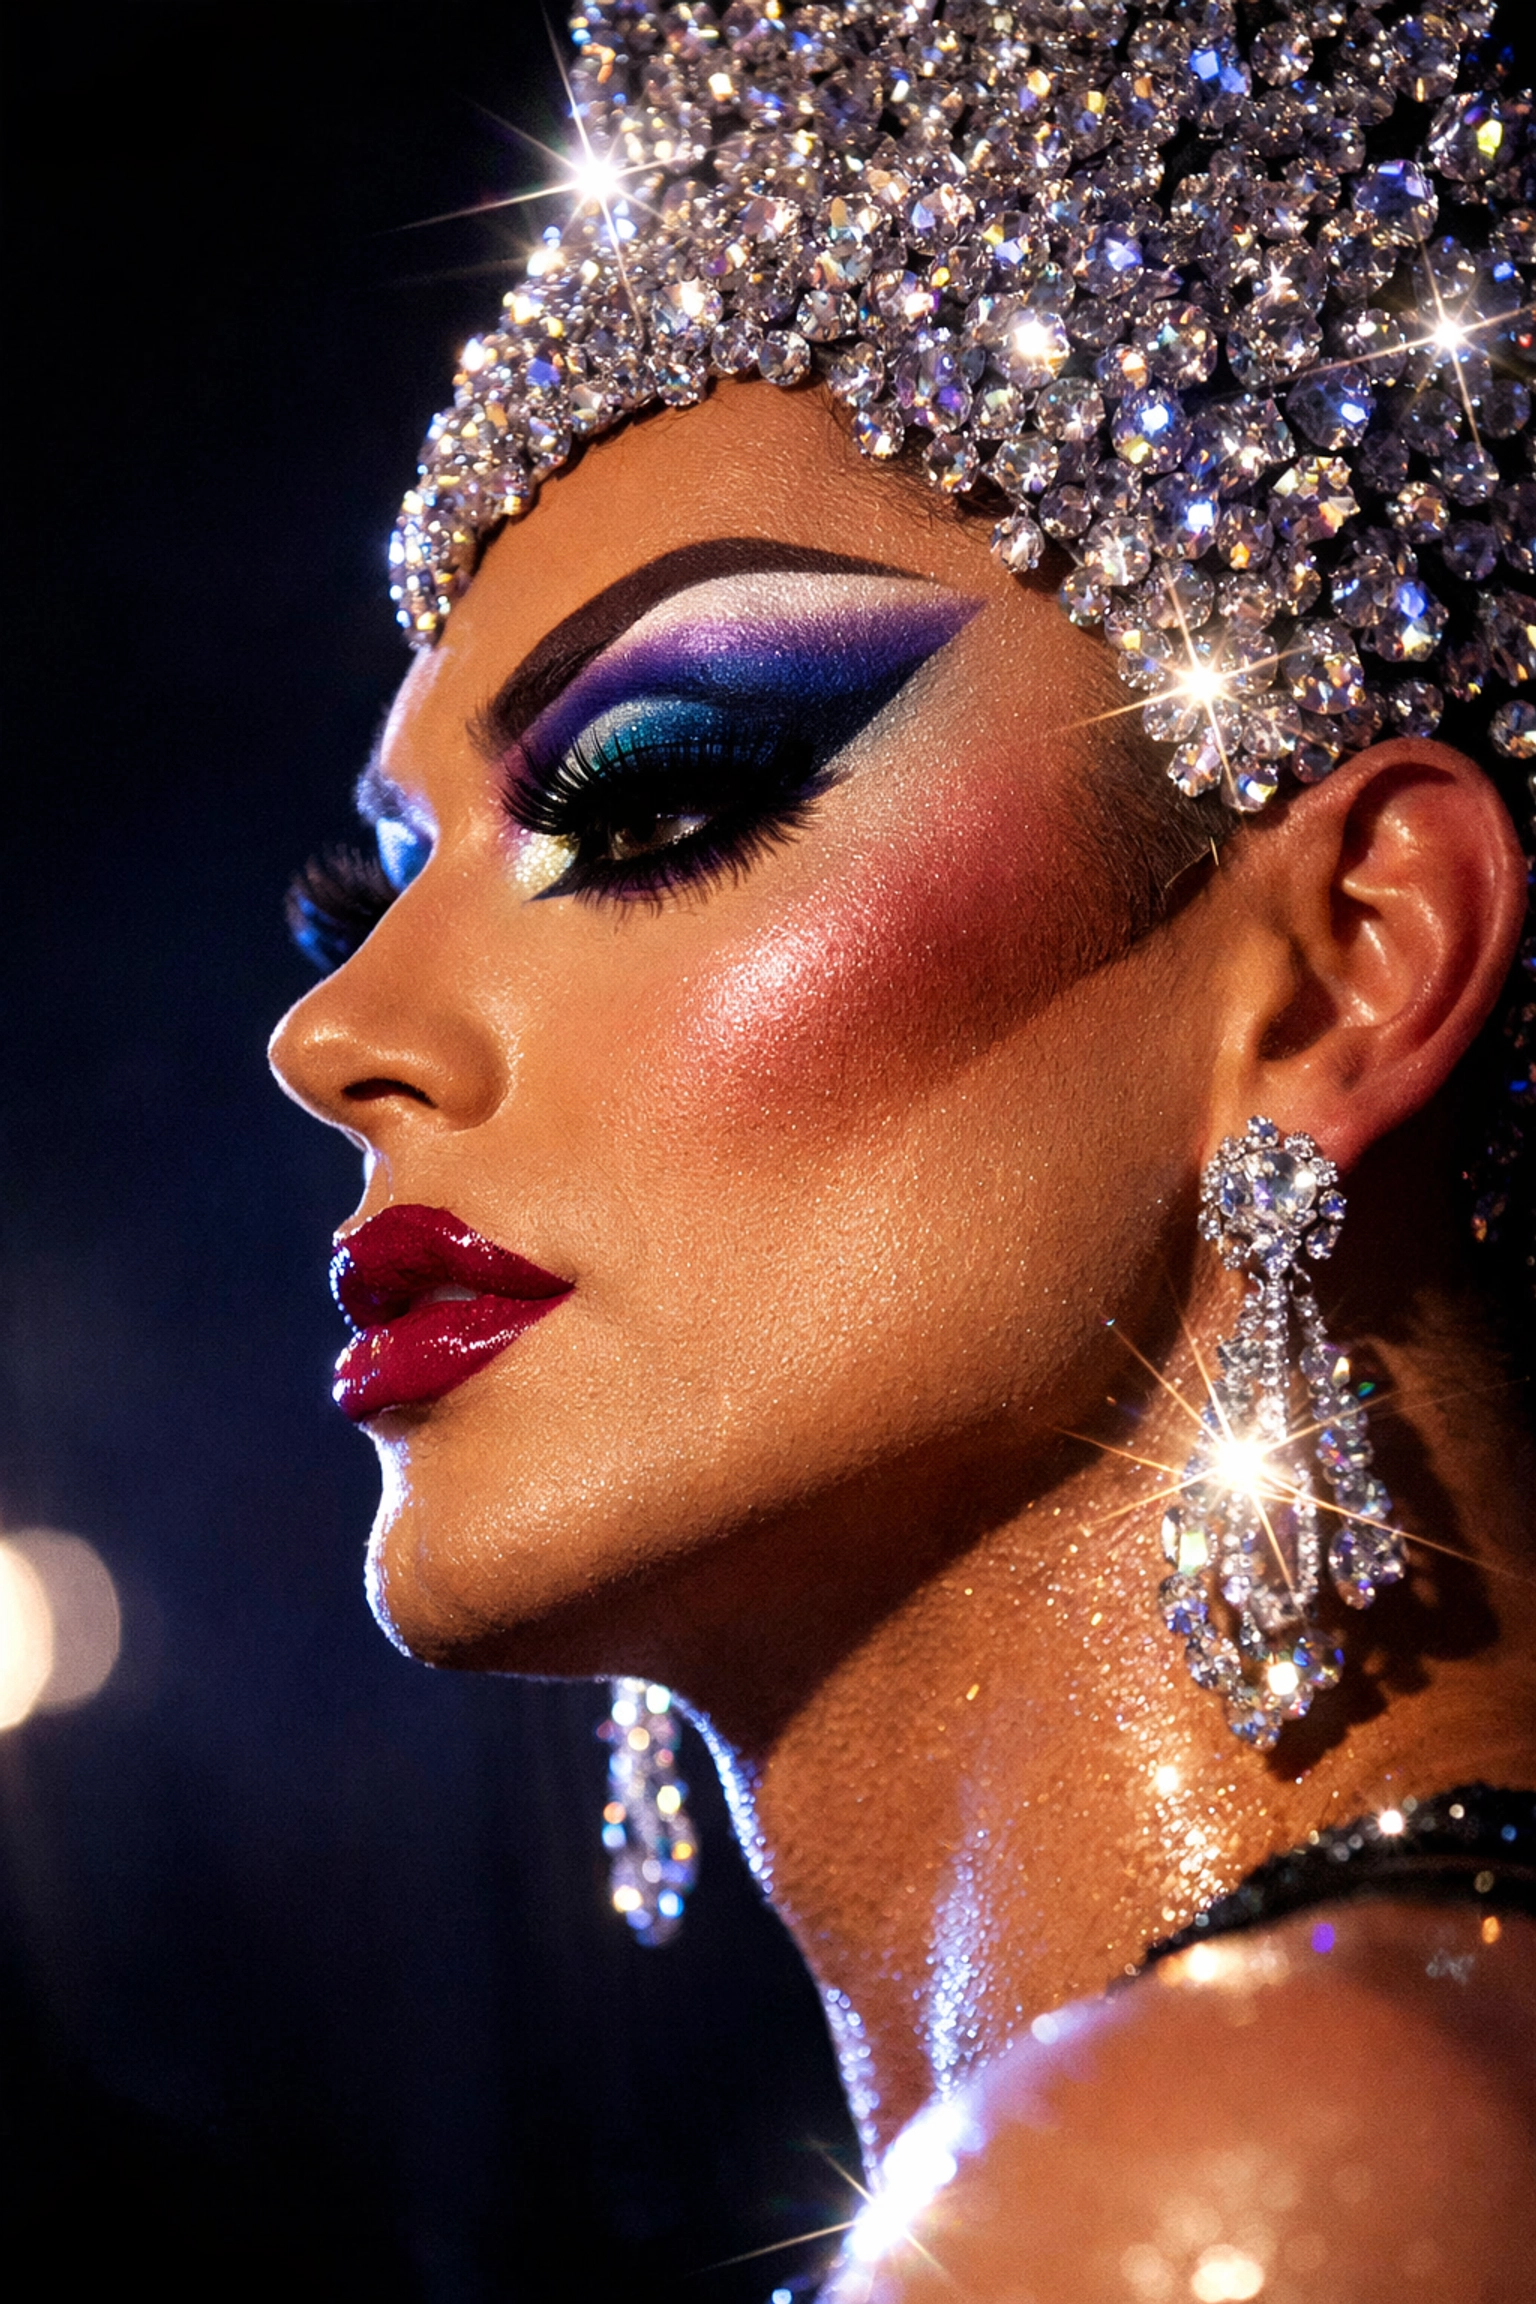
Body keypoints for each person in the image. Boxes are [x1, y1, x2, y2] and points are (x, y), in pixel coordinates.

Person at [270, 1, 1536, 2291]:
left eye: (650, 797)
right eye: (365, 896)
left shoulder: (1249, 2176)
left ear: (1352, 955)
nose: (336, 1032)